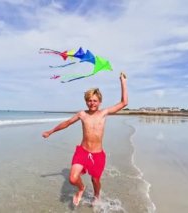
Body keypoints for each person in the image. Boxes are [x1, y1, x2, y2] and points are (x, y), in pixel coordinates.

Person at [42, 72, 128, 206]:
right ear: (86, 101)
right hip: (83, 151)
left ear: (99, 102)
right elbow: (67, 123)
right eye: (89, 100)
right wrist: (51, 131)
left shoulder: (104, 113)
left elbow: (124, 102)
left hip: (97, 154)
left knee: (95, 180)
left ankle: (97, 195)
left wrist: (122, 81)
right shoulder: (82, 114)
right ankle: (81, 188)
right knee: (72, 178)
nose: (91, 103)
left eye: (94, 100)